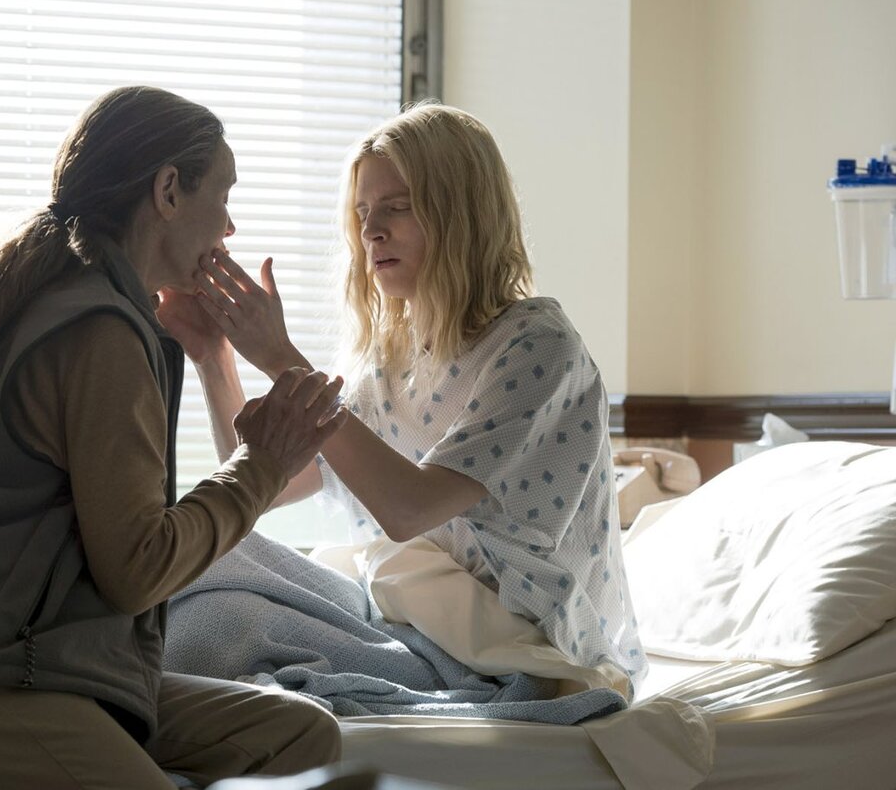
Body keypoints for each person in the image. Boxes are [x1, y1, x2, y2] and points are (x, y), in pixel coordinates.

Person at [0, 86, 349, 790]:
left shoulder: (89, 303)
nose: (230, 225)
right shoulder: (99, 328)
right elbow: (136, 568)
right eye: (223, 194)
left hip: (38, 669)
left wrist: (209, 359)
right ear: (167, 190)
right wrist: (260, 466)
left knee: (300, 734)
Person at [159, 102, 647, 698]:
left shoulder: (537, 346)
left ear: (460, 213)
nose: (371, 231)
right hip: (405, 620)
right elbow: (265, 485)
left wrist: (281, 357)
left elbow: (409, 510)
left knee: (219, 624)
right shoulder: (388, 362)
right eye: (363, 213)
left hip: (506, 651)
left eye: (396, 207)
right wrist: (214, 357)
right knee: (202, 558)